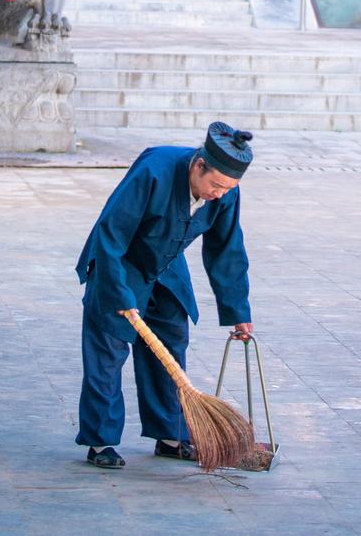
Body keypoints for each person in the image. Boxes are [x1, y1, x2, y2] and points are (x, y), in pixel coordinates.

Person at [75, 121, 255, 469]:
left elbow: (226, 248)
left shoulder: (226, 191)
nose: (219, 193)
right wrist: (118, 292)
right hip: (120, 259)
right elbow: (110, 233)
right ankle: (101, 442)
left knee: (171, 340)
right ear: (198, 166)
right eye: (215, 185)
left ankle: (171, 435)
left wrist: (238, 310)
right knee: (108, 351)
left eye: (227, 188)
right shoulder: (154, 170)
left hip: (165, 264)